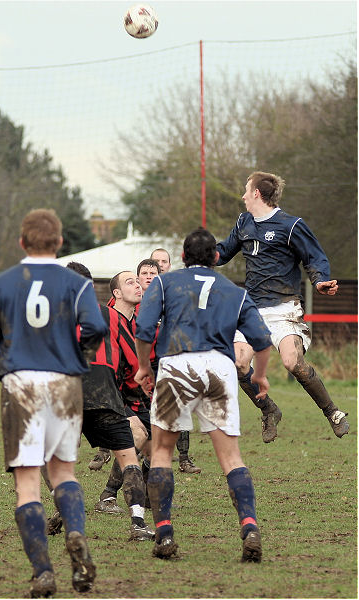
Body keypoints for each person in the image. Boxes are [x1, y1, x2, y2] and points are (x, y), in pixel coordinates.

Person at [0, 209, 107, 598]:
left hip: (20, 384)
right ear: (60, 243)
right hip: (65, 381)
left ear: (21, 242)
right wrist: (78, 354)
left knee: (28, 484)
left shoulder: (0, 284)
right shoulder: (76, 283)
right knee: (64, 472)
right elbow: (96, 326)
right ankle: (77, 534)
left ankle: (43, 572)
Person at [135, 227, 272, 562]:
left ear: (182, 257)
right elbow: (263, 339)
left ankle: (164, 534)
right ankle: (250, 527)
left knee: (163, 451)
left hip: (177, 364)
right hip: (218, 368)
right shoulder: (235, 292)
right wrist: (261, 375)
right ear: (216, 258)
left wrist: (143, 367)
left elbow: (143, 329)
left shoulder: (165, 283)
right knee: (231, 457)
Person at [216, 171, 349, 441]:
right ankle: (269, 410)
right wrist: (200, 253)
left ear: (256, 193)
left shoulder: (290, 225)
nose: (242, 195)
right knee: (239, 363)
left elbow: (315, 256)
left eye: (246, 190)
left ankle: (332, 412)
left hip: (284, 308)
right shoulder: (244, 222)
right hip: (252, 309)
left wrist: (320, 280)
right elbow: (224, 252)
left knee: (293, 363)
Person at [65, 264, 154, 541]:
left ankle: (64, 508)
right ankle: (138, 523)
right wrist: (133, 395)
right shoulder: (111, 317)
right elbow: (133, 361)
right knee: (129, 459)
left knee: (59, 460)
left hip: (68, 394)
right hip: (105, 393)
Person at [150, 248, 201, 474]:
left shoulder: (177, 291)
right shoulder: (140, 290)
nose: (160, 264)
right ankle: (107, 450)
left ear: (170, 265)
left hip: (172, 356)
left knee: (181, 403)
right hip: (146, 359)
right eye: (156, 261)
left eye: (164, 261)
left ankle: (184, 458)